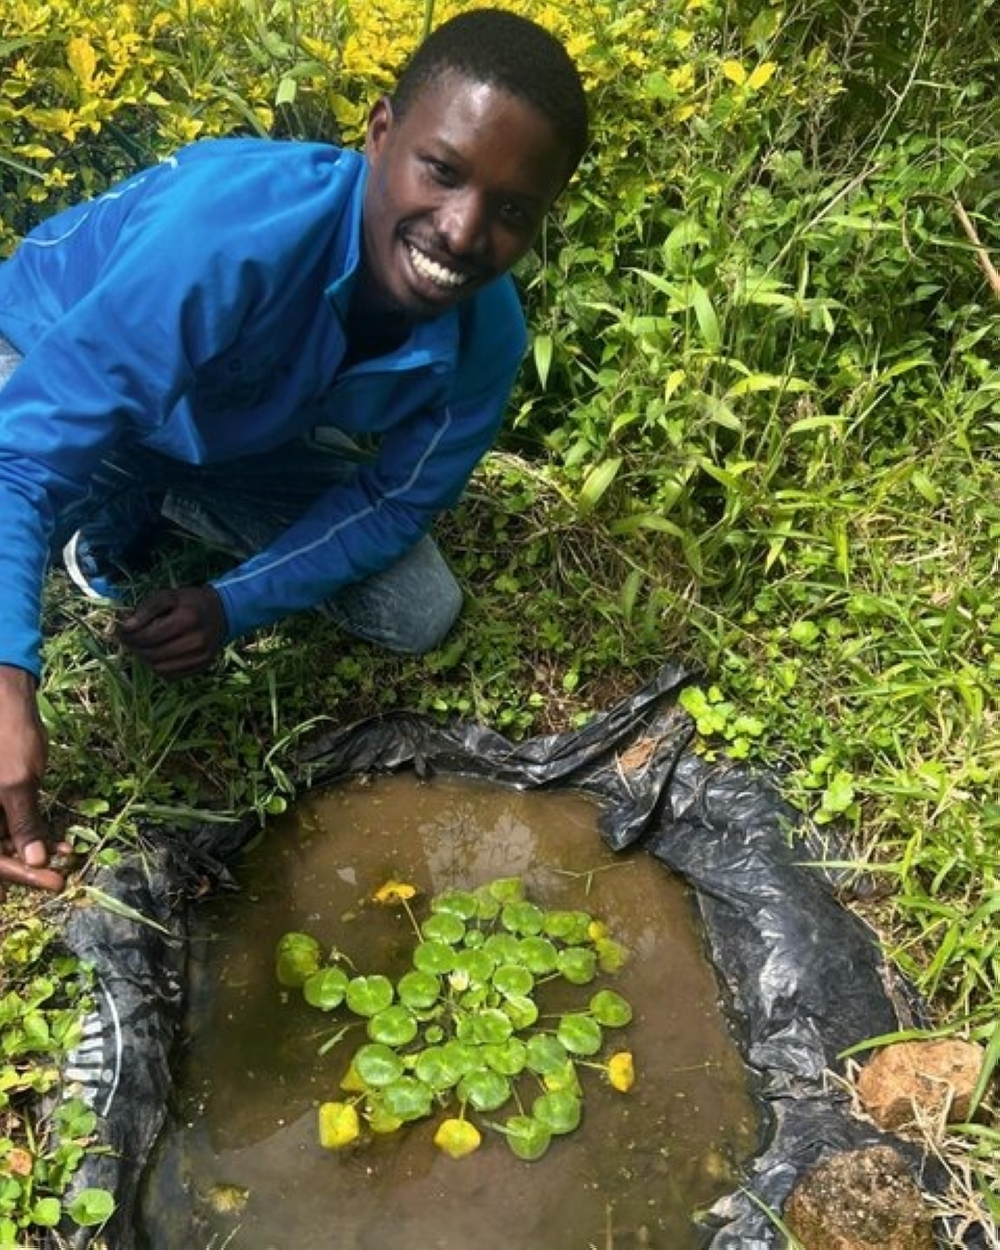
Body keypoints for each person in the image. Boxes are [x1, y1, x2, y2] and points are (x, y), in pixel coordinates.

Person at [0, 8, 588, 898]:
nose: (465, 234)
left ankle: (136, 501)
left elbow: (396, 503)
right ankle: (105, 500)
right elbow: (26, 452)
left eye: (511, 211)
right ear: (381, 132)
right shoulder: (225, 232)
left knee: (418, 606)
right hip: (39, 360)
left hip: (222, 429)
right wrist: (6, 671)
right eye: (442, 171)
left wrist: (231, 604)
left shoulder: (486, 336)